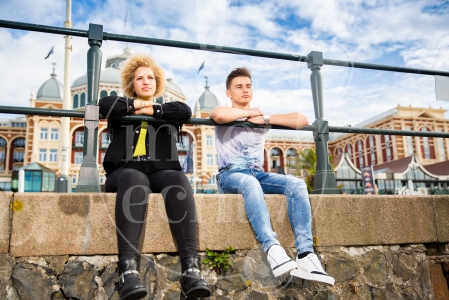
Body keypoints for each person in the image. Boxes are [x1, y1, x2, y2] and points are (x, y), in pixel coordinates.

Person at [99, 53, 211, 300]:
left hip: (160, 170)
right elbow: (105, 105)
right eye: (140, 78)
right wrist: (139, 106)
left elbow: (184, 110)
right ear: (132, 83)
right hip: (124, 171)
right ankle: (127, 271)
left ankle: (191, 268)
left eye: (150, 77)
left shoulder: (168, 110)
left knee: (178, 180)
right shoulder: (120, 107)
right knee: (135, 180)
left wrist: (155, 109)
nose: (146, 82)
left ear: (158, 82)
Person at [209, 67, 335, 286]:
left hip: (257, 174)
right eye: (238, 87)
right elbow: (219, 115)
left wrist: (265, 117)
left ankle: (305, 255)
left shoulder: (261, 117)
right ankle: (272, 248)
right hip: (230, 175)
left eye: (248, 86)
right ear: (229, 93)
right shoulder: (226, 113)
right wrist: (250, 114)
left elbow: (303, 119)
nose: (245, 90)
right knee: (249, 183)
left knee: (296, 184)